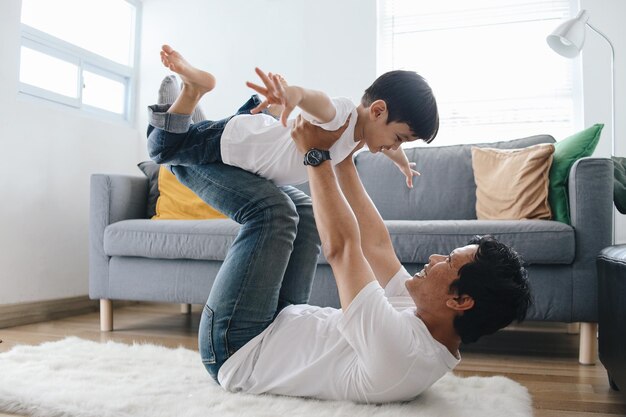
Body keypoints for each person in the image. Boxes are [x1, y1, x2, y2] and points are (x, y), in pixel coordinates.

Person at [146, 59, 532, 405]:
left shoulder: (402, 353)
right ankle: (185, 131)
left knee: (272, 212)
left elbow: (344, 249)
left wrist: (317, 158)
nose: (433, 259)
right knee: (307, 210)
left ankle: (174, 137)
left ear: (460, 300)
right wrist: (340, 157)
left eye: (449, 261)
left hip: (237, 348)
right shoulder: (429, 317)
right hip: (280, 319)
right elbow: (377, 245)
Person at [147, 45, 439, 189]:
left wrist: (402, 164)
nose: (394, 146)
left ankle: (267, 109)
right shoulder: (343, 116)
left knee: (206, 131)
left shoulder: (363, 135)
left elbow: (388, 147)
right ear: (377, 111)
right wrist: (295, 95)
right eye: (398, 138)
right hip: (234, 145)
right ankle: (192, 90)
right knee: (163, 149)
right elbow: (319, 102)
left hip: (256, 135)